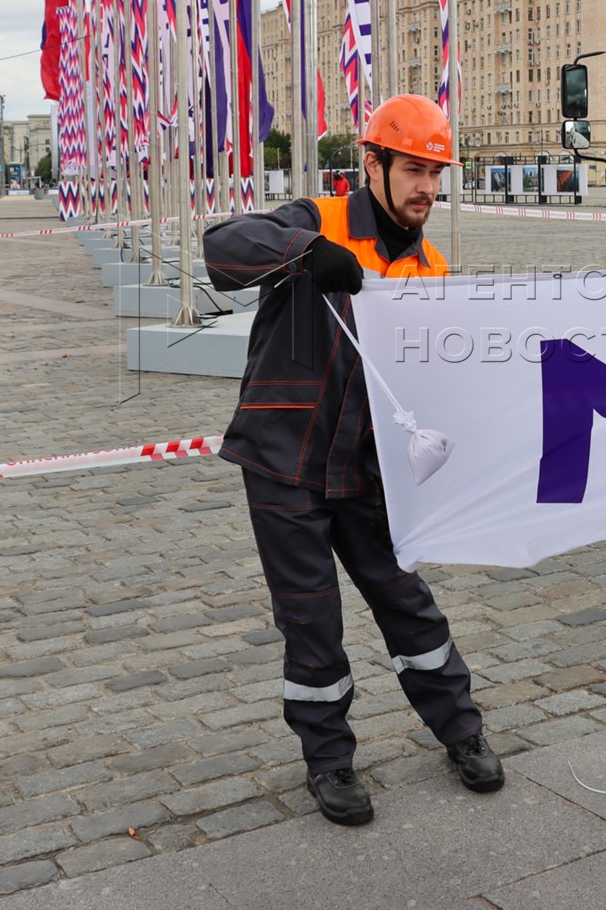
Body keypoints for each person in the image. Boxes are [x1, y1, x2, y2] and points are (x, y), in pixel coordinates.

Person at [204, 93, 501, 828]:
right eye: (412, 170)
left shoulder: (429, 265)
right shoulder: (317, 220)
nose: (426, 187)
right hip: (285, 461)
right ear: (372, 164)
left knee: (407, 602)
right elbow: (223, 246)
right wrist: (302, 253)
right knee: (312, 621)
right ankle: (329, 761)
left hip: (370, 471)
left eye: (436, 173)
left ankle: (461, 732)